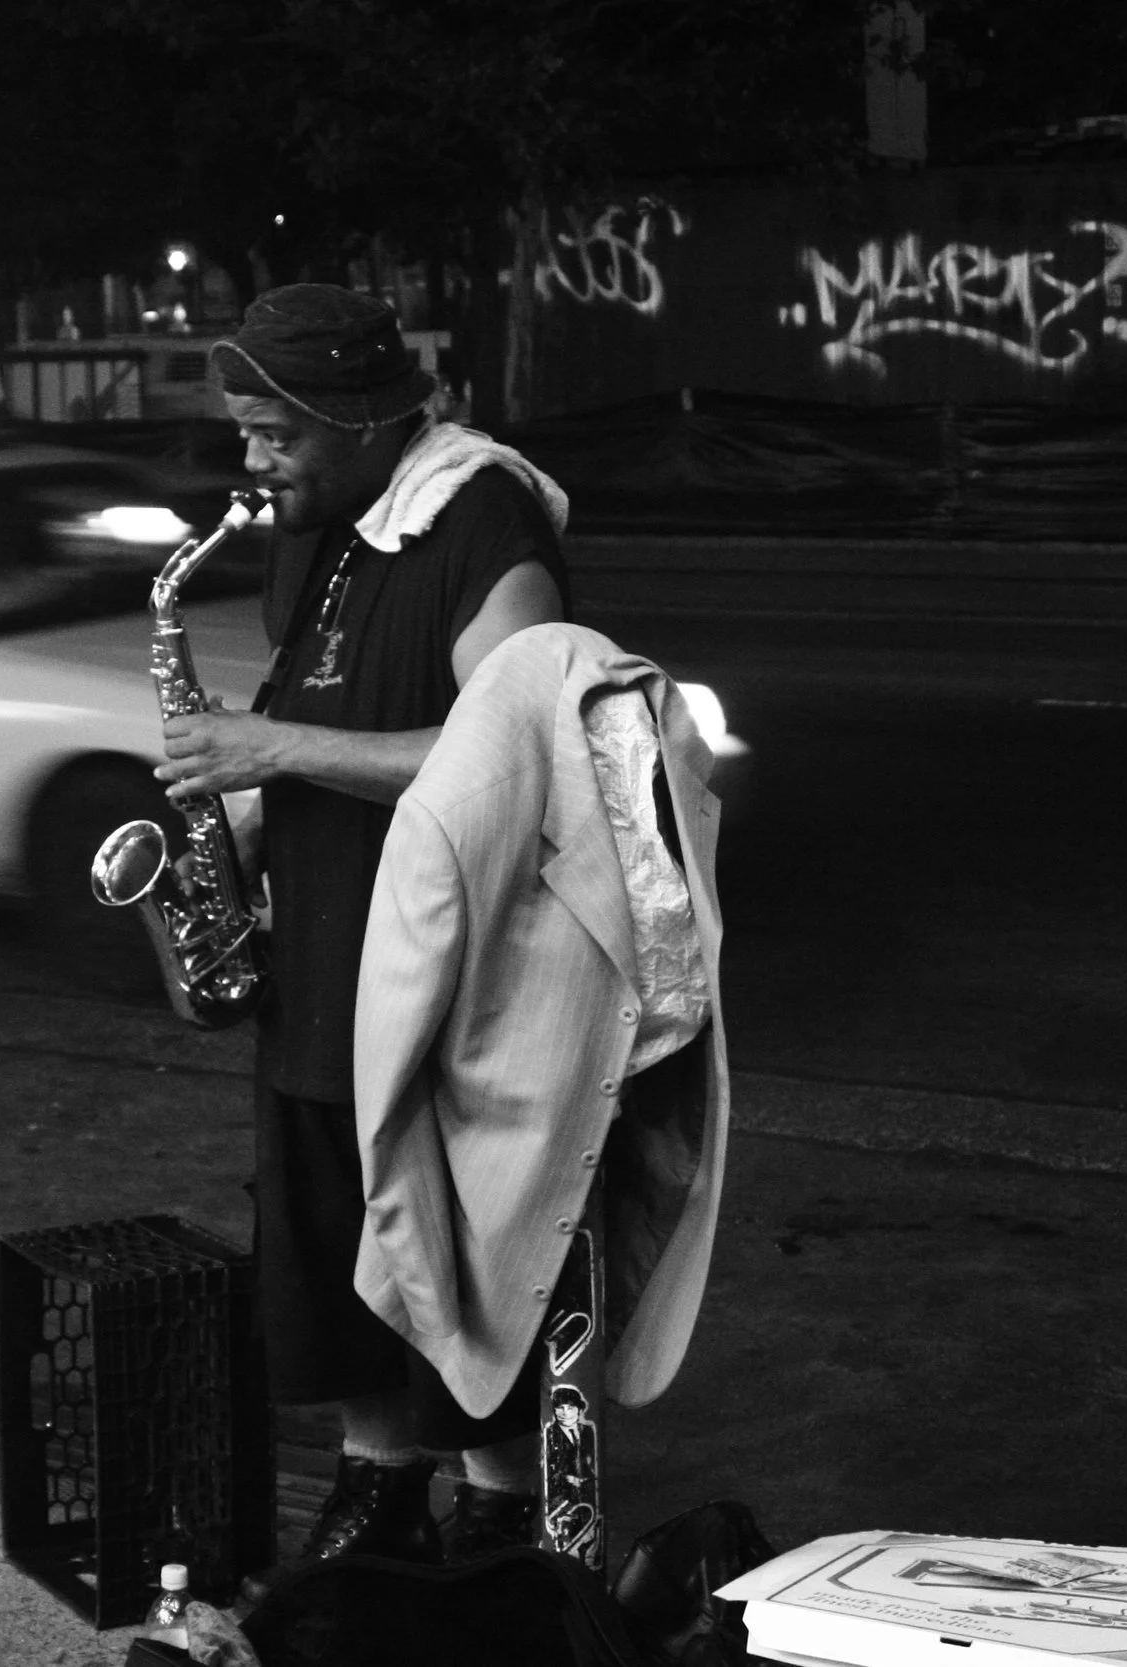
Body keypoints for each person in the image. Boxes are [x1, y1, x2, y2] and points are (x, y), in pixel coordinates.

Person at [154, 283, 570, 1568]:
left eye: (274, 436)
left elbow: (523, 752)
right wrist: (226, 847)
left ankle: (500, 1502)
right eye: (241, 431)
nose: (251, 461)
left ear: (363, 420)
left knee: (453, 1245)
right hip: (320, 956)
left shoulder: (484, 522)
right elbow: (311, 710)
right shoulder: (320, 519)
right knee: (331, 1236)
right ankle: (378, 1478)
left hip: (443, 974)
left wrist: (267, 743)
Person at [354, 621, 729, 1564]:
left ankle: (536, 1564)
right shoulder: (457, 812)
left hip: (608, 1124)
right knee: (491, 1390)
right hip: (492, 1154)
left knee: (568, 1414)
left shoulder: (646, 755)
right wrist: (412, 1240)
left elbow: (679, 978)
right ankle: (510, 1561)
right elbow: (388, 1069)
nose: (630, 755)